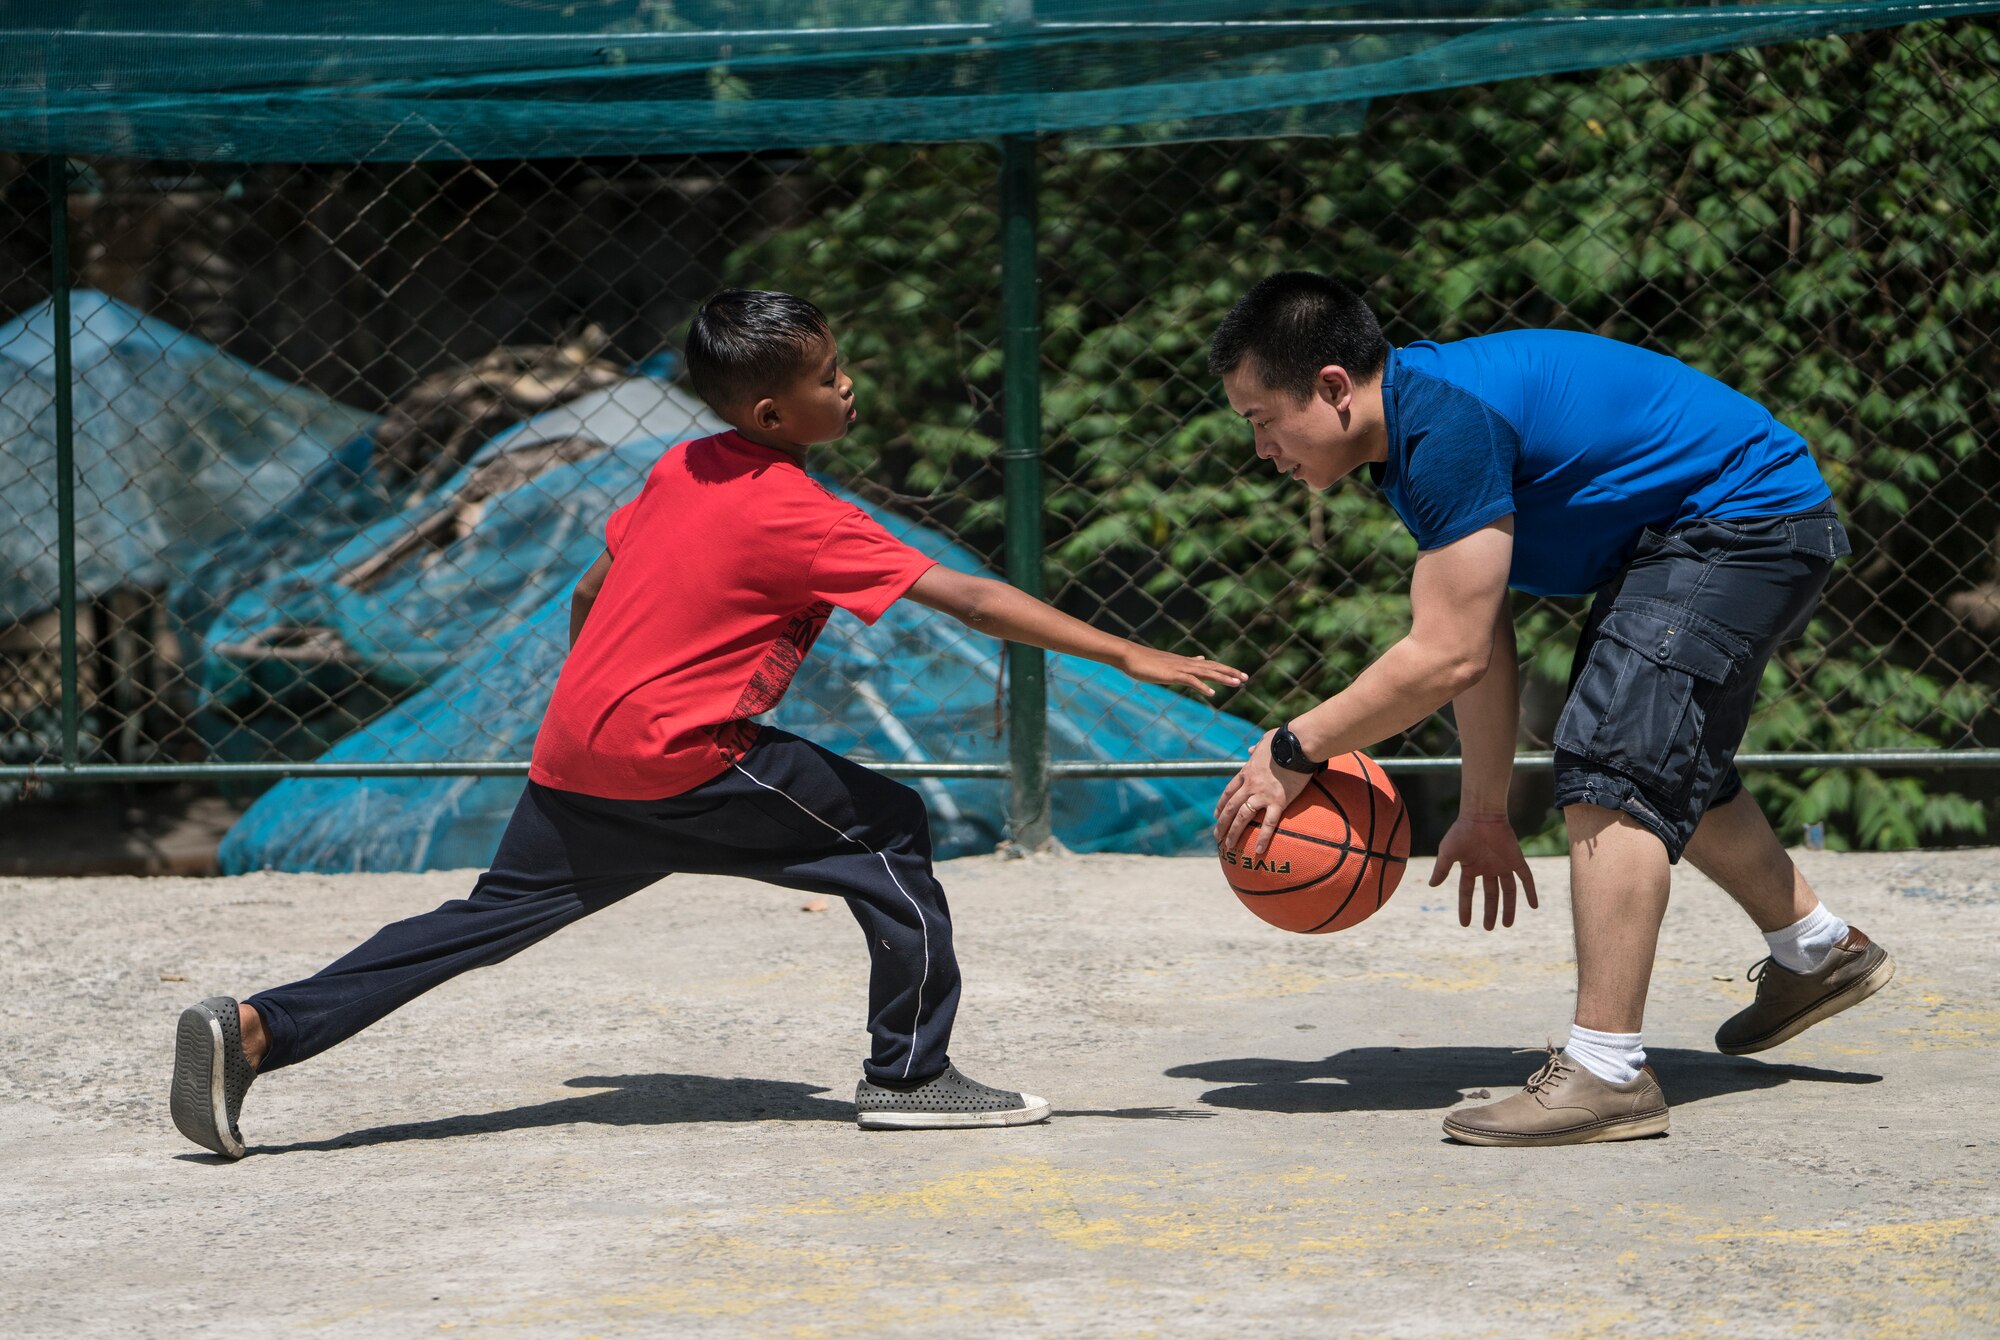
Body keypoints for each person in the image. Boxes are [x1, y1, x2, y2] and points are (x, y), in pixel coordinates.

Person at [171, 288, 1245, 1159]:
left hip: (578, 750)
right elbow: (967, 598)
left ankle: (258, 1027)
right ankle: (910, 1075)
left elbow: (594, 589)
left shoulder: (681, 463)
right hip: (675, 756)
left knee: (478, 921)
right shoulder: (801, 509)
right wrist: (1131, 651)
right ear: (774, 414)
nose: (848, 384)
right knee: (887, 826)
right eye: (829, 377)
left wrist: (608, 683)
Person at [1206, 271, 1892, 1147]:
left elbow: (1442, 654)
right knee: (1655, 755)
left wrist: (1291, 748)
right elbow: (1475, 639)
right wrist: (1485, 812)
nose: (1261, 449)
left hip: (1742, 518)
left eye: (1262, 420)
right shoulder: (1409, 438)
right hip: (1696, 531)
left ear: (1333, 388)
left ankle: (1607, 1073)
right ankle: (1817, 949)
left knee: (1613, 758)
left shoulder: (1444, 424)